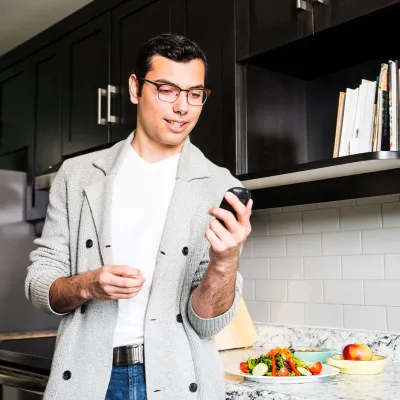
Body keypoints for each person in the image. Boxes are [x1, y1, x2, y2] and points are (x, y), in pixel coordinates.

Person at [25, 33, 252, 400]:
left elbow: (207, 320)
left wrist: (225, 262)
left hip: (179, 379)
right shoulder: (78, 175)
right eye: (167, 90)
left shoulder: (219, 186)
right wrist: (88, 285)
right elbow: (39, 282)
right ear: (135, 88)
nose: (182, 107)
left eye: (195, 94)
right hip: (87, 379)